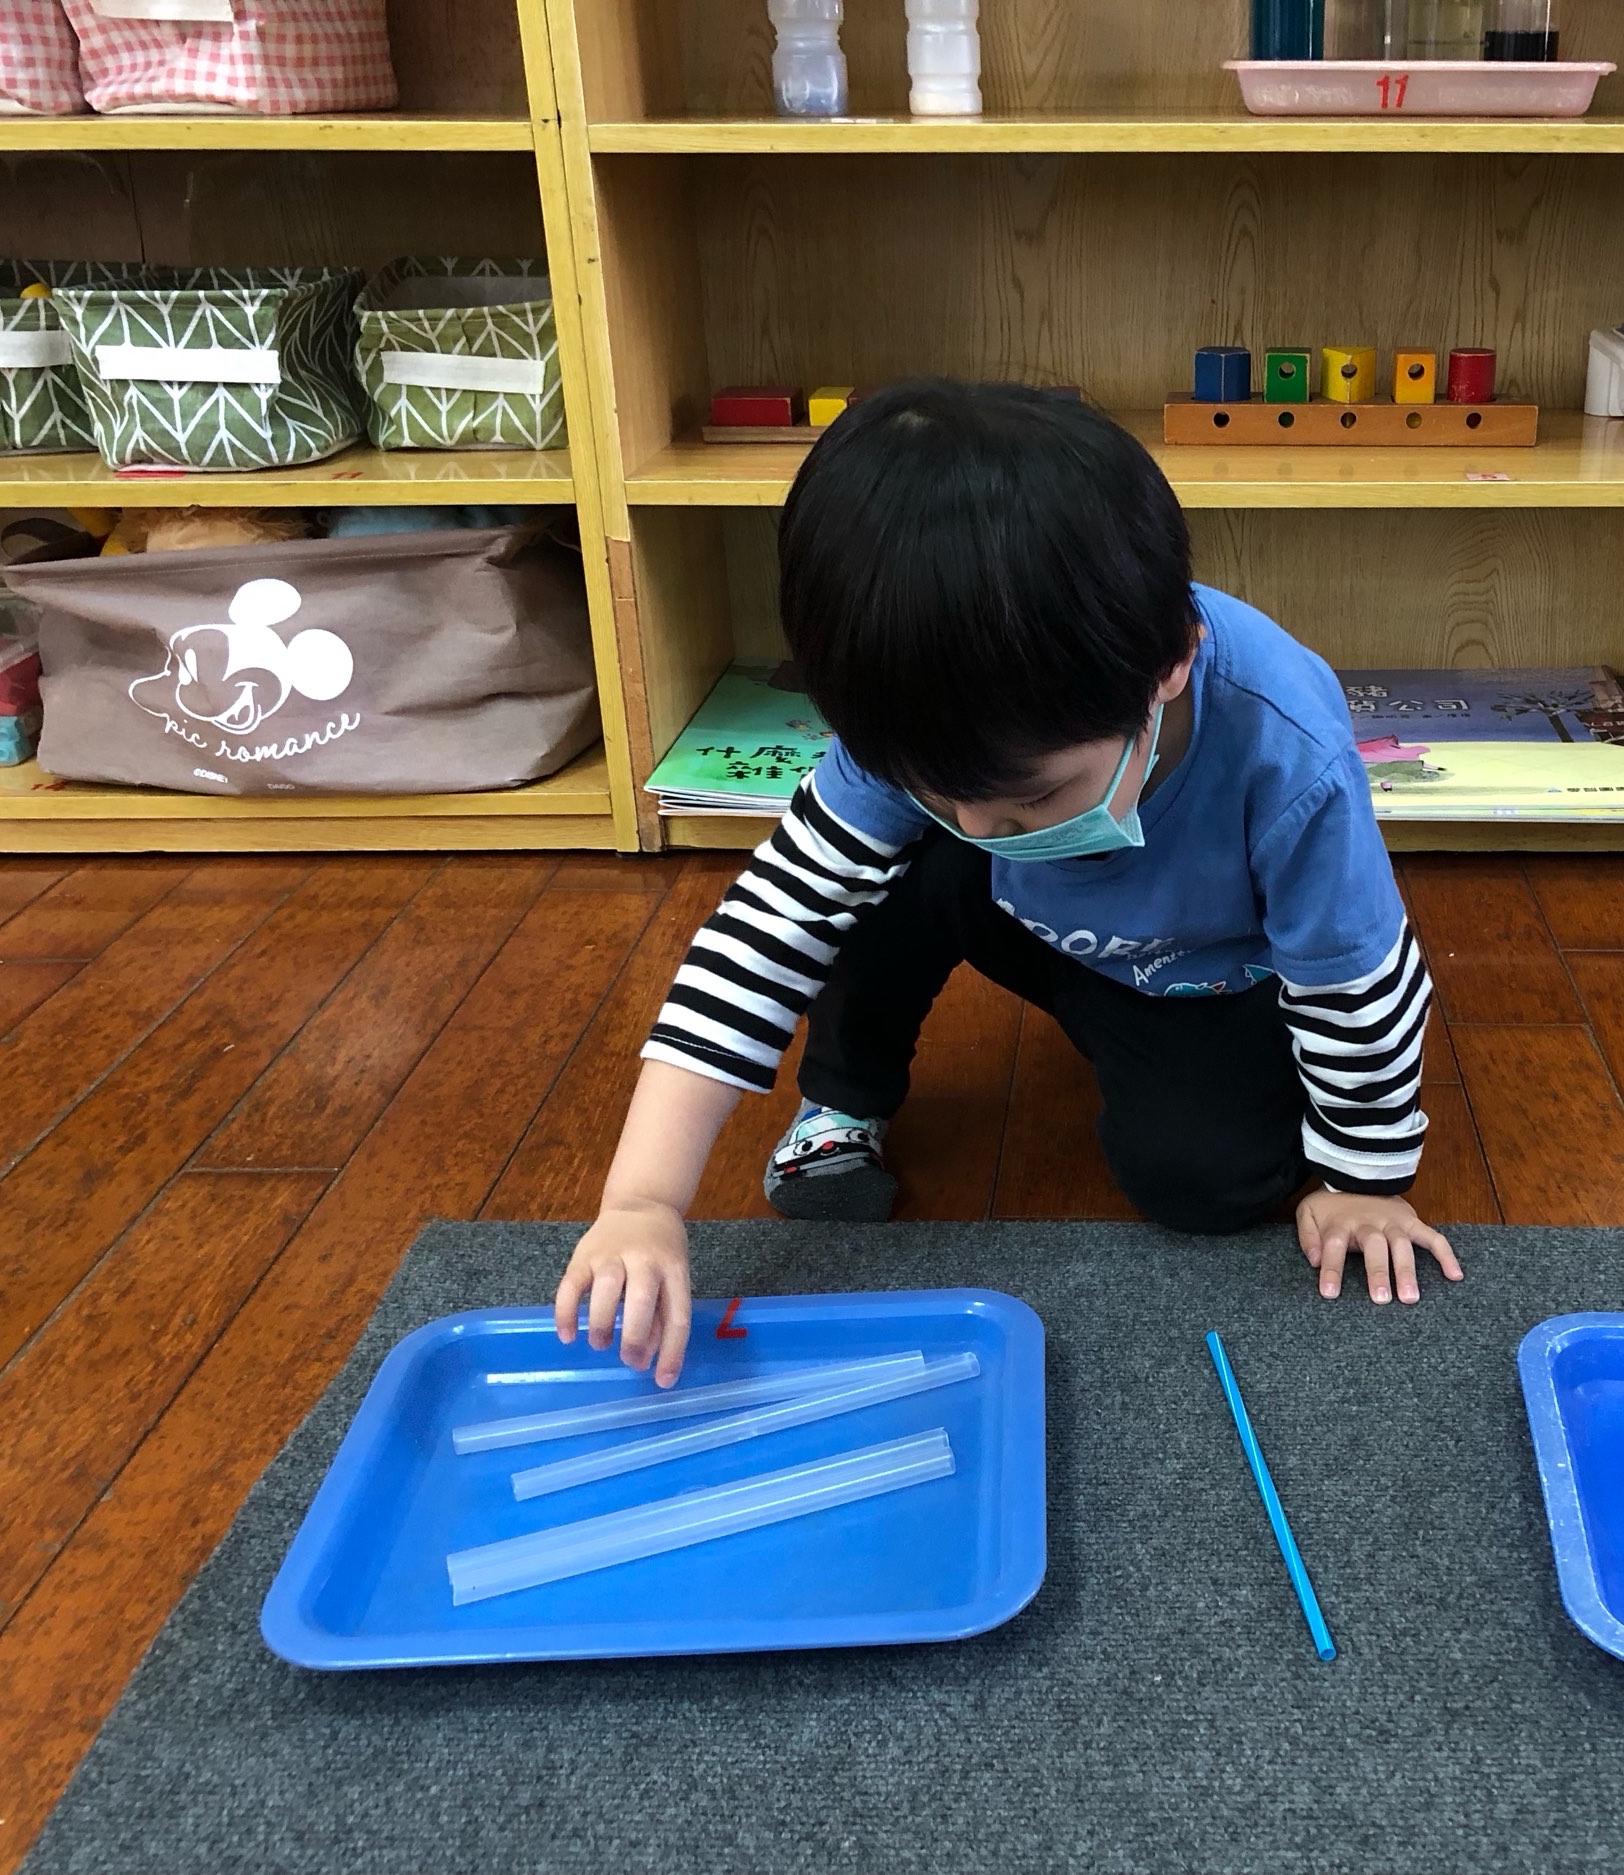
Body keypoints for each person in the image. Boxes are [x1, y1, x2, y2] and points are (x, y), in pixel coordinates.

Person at [556, 379, 1459, 1385]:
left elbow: (1353, 983)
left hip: (1200, 975)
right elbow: (770, 926)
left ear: (1168, 666)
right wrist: (640, 1201)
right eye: (941, 792)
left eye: (1033, 795)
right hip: (1026, 925)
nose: (981, 824)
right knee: (862, 871)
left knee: (1209, 1185)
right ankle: (844, 1103)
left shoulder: (1285, 748)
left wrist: (1364, 1179)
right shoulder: (923, 720)